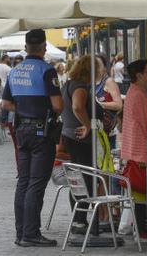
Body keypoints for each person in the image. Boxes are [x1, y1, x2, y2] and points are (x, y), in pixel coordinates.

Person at [1, 29, 63, 247]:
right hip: (41, 132)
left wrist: (24, 108)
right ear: (44, 47)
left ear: (26, 47)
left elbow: (6, 104)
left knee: (24, 182)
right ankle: (31, 233)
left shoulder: (15, 71)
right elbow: (57, 105)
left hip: (21, 131)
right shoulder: (47, 71)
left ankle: (21, 233)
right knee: (37, 183)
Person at [60, 56, 100, 235]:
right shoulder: (79, 86)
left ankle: (79, 219)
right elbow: (77, 107)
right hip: (80, 138)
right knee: (85, 178)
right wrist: (88, 125)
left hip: (69, 134)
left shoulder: (68, 84)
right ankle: (80, 220)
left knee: (78, 178)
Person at [120, 59, 147, 237]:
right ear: (140, 75)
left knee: (140, 192)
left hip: (134, 148)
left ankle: (142, 228)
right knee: (143, 191)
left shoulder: (135, 92)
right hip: (139, 149)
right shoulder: (140, 94)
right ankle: (143, 229)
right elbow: (144, 124)